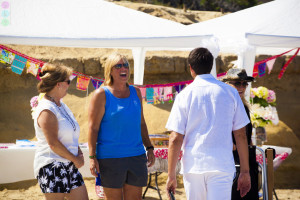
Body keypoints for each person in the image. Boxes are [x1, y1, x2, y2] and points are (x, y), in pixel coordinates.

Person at [166, 47, 251, 200]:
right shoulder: (230, 92)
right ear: (211, 66)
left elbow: (175, 138)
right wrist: (245, 171)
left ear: (191, 68)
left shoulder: (184, 95)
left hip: (194, 165)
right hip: (221, 164)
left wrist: (171, 174)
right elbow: (241, 135)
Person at [88, 52, 155, 200]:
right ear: (110, 71)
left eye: (125, 65)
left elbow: (141, 122)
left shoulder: (136, 92)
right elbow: (93, 128)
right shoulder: (101, 94)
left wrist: (149, 147)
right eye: (118, 66)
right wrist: (92, 157)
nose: (123, 68)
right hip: (111, 159)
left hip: (136, 156)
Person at [33, 63, 88, 200]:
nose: (69, 84)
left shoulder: (61, 104)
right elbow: (53, 144)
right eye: (68, 81)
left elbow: (71, 134)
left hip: (68, 163)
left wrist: (78, 151)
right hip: (52, 166)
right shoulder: (46, 109)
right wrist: (76, 158)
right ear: (58, 84)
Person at [222, 67, 259, 200]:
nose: (242, 86)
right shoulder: (222, 105)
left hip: (245, 161)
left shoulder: (243, 106)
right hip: (231, 163)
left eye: (245, 83)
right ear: (227, 84)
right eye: (237, 83)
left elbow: (246, 135)